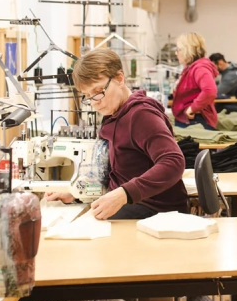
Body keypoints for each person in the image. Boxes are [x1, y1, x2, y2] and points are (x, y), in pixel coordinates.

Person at [45, 49, 188, 220]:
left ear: (120, 79)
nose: (94, 102)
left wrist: (124, 194)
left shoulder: (141, 115)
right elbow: (117, 175)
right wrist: (77, 193)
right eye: (87, 96)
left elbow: (173, 161)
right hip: (133, 204)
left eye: (98, 91)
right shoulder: (112, 116)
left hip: (155, 211)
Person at [172, 33, 219, 130]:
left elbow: (210, 91)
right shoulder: (190, 68)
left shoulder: (199, 68)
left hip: (196, 121)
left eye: (178, 49)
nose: (176, 53)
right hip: (191, 120)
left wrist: (192, 108)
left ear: (187, 50)